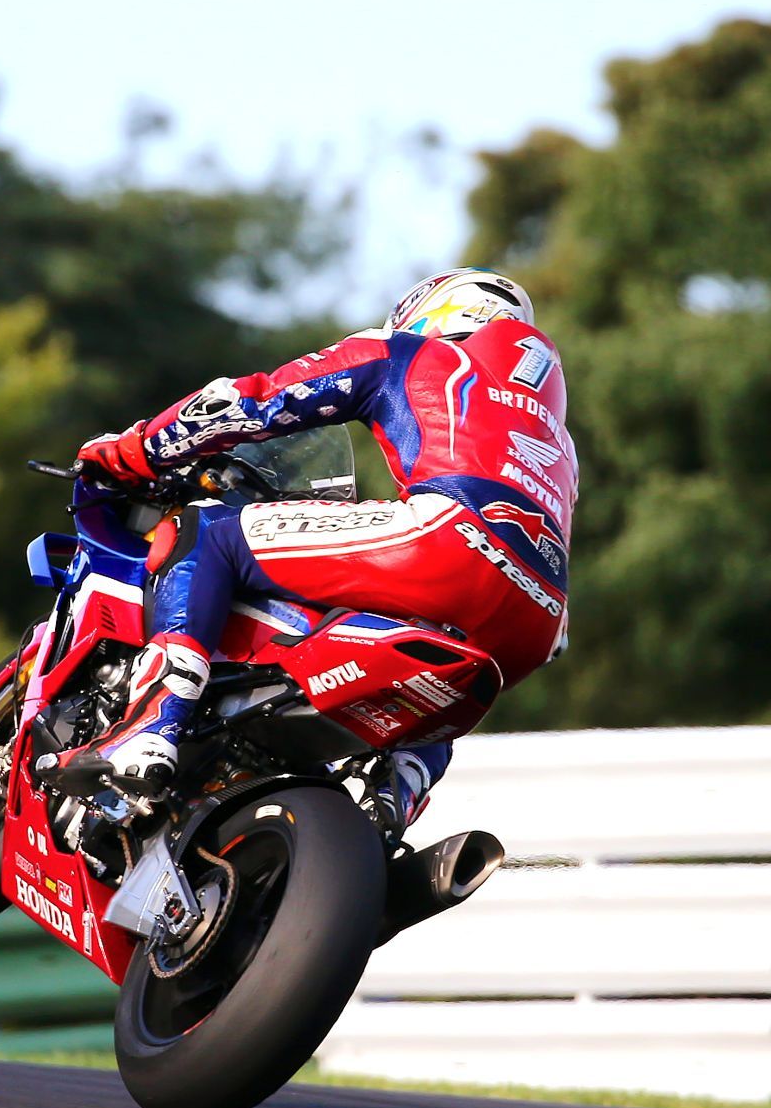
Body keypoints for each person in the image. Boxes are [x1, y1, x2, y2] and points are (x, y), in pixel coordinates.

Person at [55, 267, 578, 833]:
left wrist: (135, 450)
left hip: (447, 540)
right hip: (541, 619)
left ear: (435, 313)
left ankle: (155, 724)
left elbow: (250, 403)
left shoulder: (408, 354)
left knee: (207, 531)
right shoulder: (559, 440)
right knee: (448, 688)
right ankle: (394, 799)